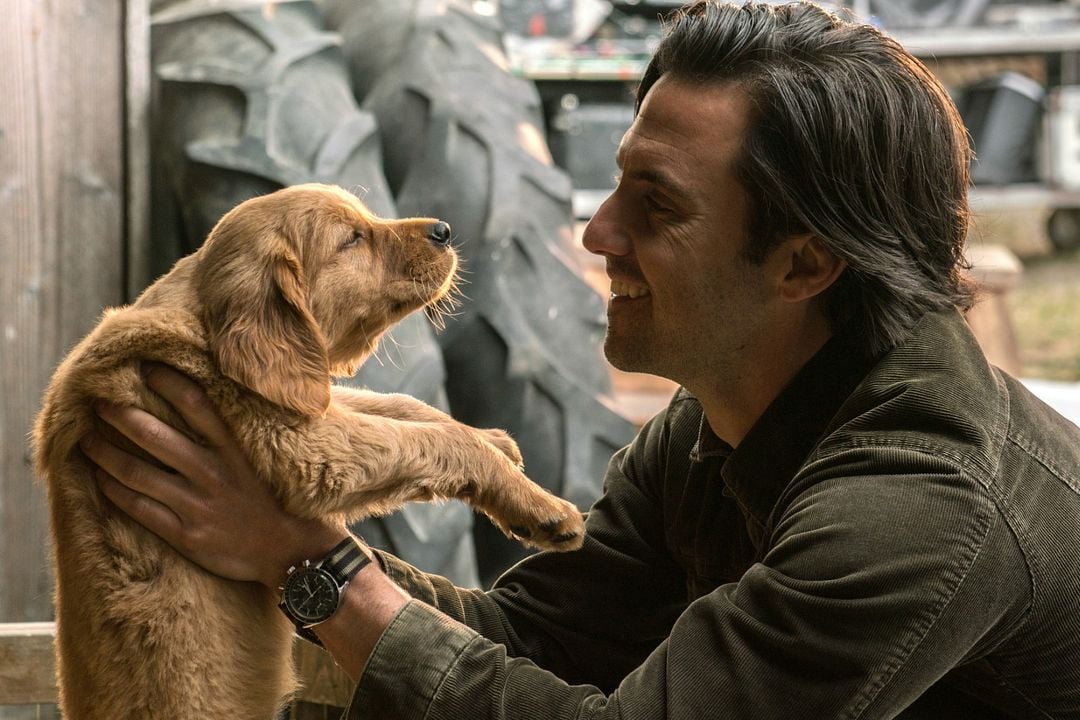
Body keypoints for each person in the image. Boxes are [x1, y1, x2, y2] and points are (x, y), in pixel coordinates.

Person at [79, 1, 1080, 717]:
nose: (596, 237)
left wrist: (314, 567)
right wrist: (269, 536)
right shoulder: (722, 419)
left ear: (806, 262)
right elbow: (537, 644)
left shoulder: (919, 510)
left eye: (659, 207)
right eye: (613, 189)